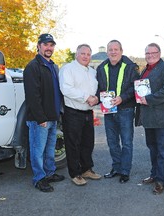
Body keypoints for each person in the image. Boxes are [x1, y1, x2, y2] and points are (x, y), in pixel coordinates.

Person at [23, 33, 65, 192]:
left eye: (51, 45)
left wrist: (58, 113)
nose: (49, 48)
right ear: (39, 46)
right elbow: (32, 96)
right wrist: (40, 118)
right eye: (46, 44)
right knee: (37, 150)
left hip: (53, 116)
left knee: (49, 149)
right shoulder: (32, 67)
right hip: (39, 119)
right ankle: (39, 178)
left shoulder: (53, 66)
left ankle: (49, 173)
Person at [135, 43, 164, 194]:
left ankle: (161, 180)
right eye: (147, 53)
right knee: (152, 148)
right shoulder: (145, 70)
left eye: (153, 52)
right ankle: (154, 174)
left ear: (159, 53)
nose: (150, 55)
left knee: (163, 150)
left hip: (162, 118)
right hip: (148, 118)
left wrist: (149, 99)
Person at [96, 40, 139, 183]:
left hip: (125, 109)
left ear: (121, 51)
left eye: (116, 49)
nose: (113, 52)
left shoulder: (131, 67)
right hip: (109, 111)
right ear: (107, 52)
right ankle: (116, 167)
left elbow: (135, 87)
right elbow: (99, 88)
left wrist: (122, 98)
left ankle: (125, 171)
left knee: (126, 142)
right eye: (110, 50)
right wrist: (95, 98)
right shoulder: (101, 68)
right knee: (112, 141)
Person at [59, 44, 101, 186]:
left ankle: (86, 169)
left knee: (87, 143)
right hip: (73, 112)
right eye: (83, 53)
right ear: (77, 54)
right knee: (73, 144)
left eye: (88, 54)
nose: (85, 56)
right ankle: (75, 173)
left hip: (88, 112)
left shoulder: (92, 72)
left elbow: (95, 89)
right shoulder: (68, 69)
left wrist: (95, 98)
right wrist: (86, 97)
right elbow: (66, 89)